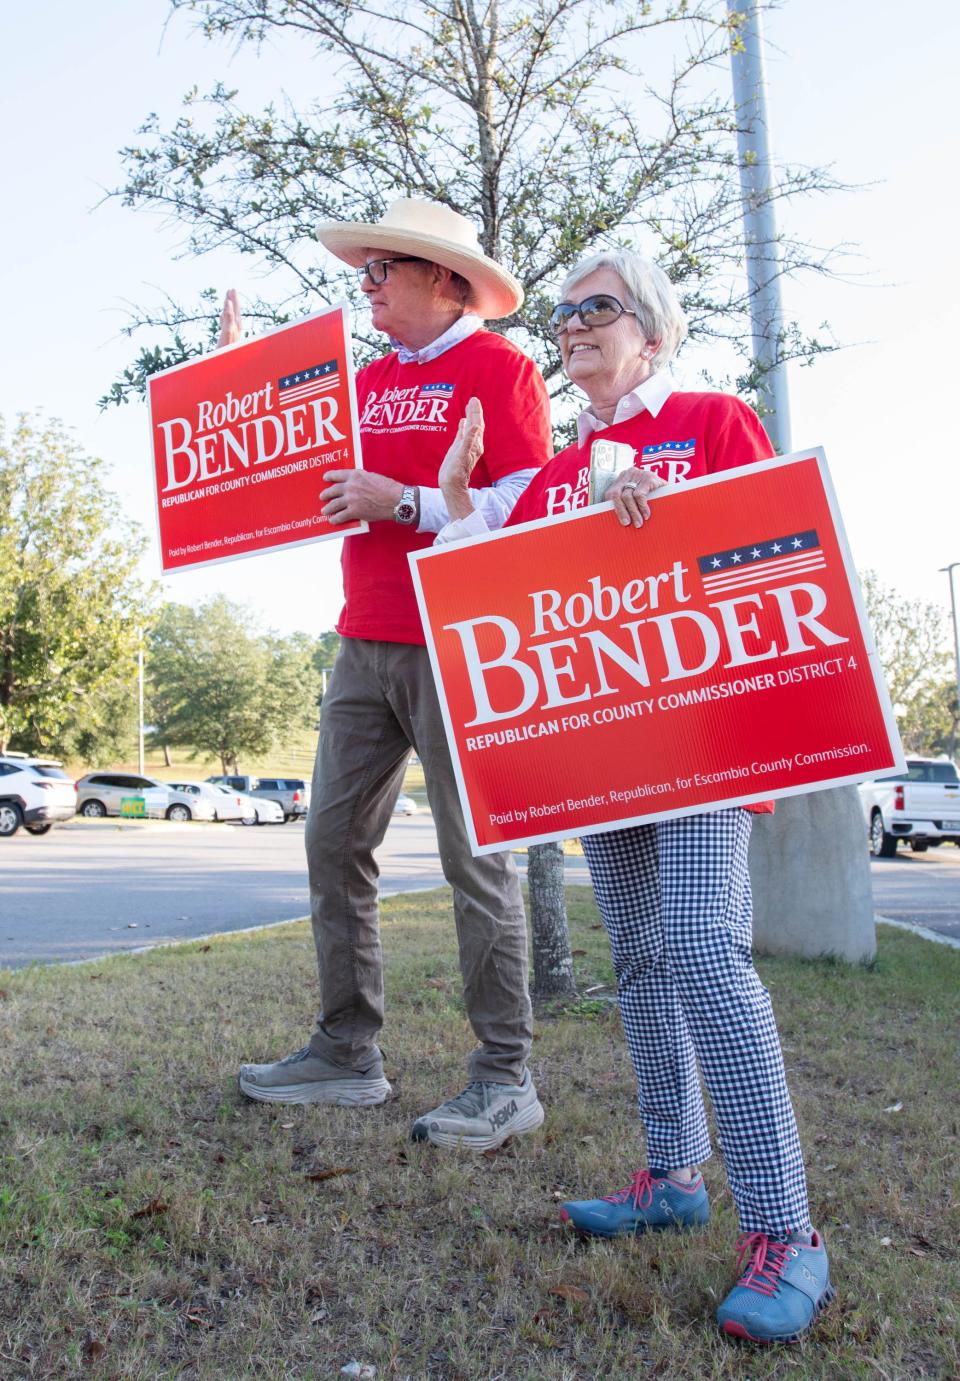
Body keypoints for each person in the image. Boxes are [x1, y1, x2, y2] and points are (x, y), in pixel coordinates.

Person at [436, 249, 834, 1343]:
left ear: (650, 334)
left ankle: (789, 1231)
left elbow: (759, 541)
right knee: (647, 961)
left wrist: (675, 509)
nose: (572, 328)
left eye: (595, 310)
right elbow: (498, 589)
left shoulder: (712, 419)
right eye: (562, 317)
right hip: (606, 759)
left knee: (705, 947)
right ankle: (672, 1175)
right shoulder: (565, 470)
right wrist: (465, 502)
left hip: (707, 744)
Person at [230, 199, 553, 1151]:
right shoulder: (361, 381)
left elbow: (528, 499)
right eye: (363, 270)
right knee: (331, 844)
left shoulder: (504, 368)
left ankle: (504, 1076)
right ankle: (347, 1050)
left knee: (474, 859)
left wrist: (406, 500)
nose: (364, 283)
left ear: (444, 281)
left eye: (382, 269)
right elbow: (292, 475)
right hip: (361, 638)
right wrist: (237, 384)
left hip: (460, 639)